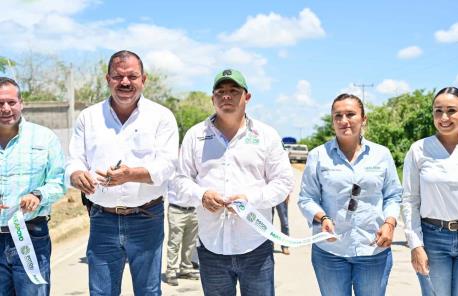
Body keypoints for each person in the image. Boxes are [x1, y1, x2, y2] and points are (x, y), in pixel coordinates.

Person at [65, 50, 179, 296]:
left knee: (148, 291)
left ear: (143, 79)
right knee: (102, 292)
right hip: (102, 219)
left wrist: (131, 174)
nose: (125, 82)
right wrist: (75, 174)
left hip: (147, 217)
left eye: (132, 76)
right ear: (108, 79)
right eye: (118, 76)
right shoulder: (89, 117)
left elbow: (168, 164)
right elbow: (74, 159)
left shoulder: (161, 117)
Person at [174, 69, 294, 296]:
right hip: (211, 248)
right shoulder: (195, 135)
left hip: (256, 245)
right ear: (212, 98)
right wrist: (201, 195)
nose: (226, 96)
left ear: (247, 97)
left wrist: (252, 200)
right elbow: (180, 180)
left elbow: (284, 182)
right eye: (220, 92)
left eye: (233, 91)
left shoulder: (266, 135)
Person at [298, 93, 402, 296]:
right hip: (330, 252)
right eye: (338, 116)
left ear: (363, 119)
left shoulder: (382, 154)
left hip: (373, 250)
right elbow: (306, 198)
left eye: (350, 114)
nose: (344, 121)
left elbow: (393, 195)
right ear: (332, 121)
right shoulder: (318, 155)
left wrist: (389, 223)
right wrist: (323, 218)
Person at [401, 86, 458, 296]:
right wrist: (415, 245)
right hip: (432, 239)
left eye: (451, 110)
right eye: (438, 111)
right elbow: (409, 200)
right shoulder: (419, 149)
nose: (444, 117)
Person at [0, 77, 66, 296]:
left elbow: (58, 182)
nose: (6, 109)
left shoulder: (44, 138)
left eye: (11, 102)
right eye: (0, 103)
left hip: (30, 236)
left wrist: (38, 195)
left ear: (21, 103)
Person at [164, 182, 199, 286]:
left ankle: (186, 269)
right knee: (174, 243)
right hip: (176, 210)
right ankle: (171, 272)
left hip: (193, 210)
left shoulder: (194, 168)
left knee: (190, 243)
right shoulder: (172, 168)